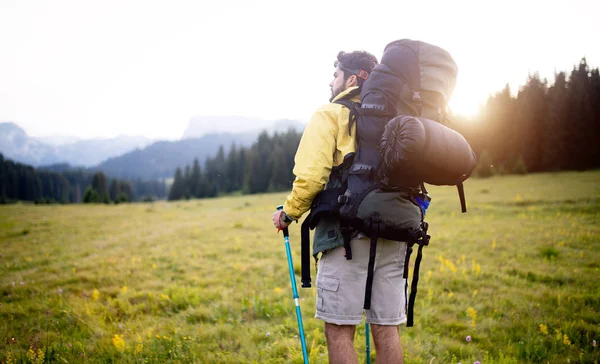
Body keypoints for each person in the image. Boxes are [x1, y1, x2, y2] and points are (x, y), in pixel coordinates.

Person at [271, 50, 407, 364]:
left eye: (335, 74)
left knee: (340, 328)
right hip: (395, 233)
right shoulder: (396, 117)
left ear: (351, 78)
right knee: (386, 329)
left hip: (346, 236)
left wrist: (288, 214)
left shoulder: (330, 113)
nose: (330, 81)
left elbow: (311, 178)